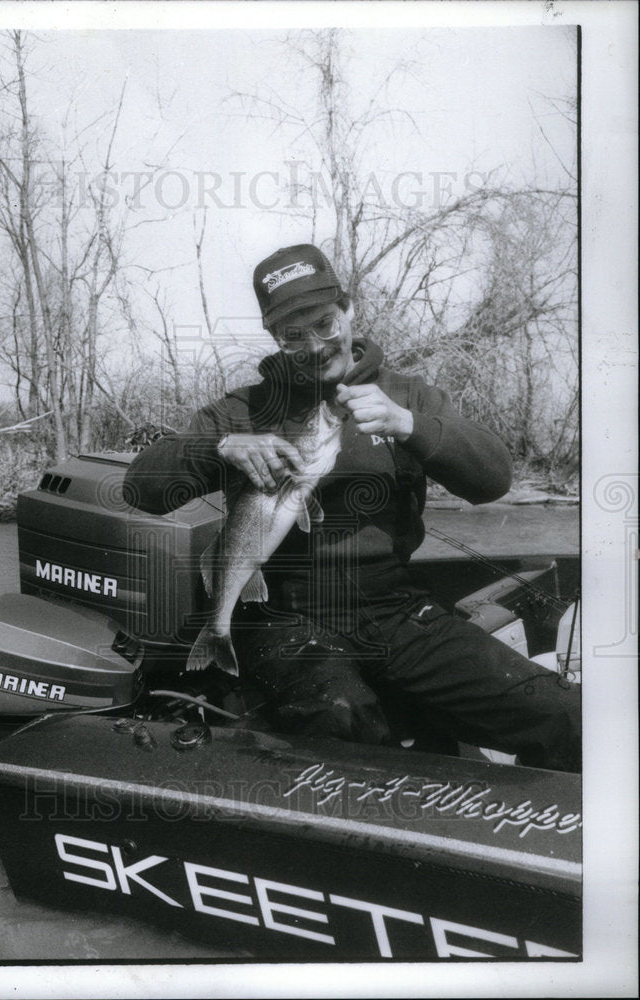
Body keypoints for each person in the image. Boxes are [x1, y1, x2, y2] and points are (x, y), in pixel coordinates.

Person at [122, 243, 581, 772]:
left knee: (564, 715)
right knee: (342, 723)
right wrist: (217, 446)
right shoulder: (241, 411)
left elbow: (493, 480)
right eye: (293, 335)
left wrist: (409, 426)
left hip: (398, 609)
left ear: (348, 311)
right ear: (274, 338)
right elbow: (140, 489)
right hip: (284, 619)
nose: (315, 345)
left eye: (324, 322)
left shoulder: (407, 395)